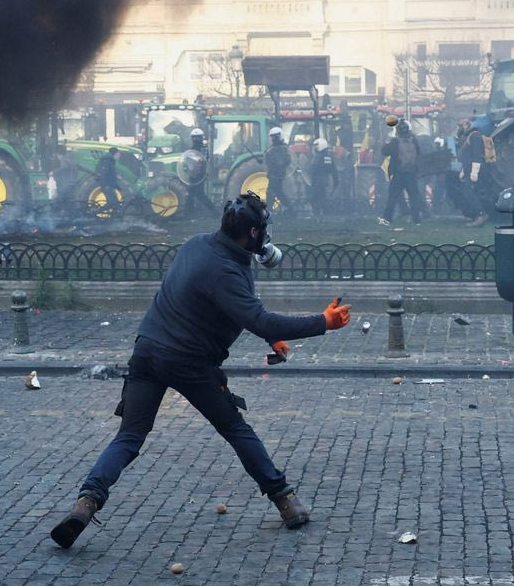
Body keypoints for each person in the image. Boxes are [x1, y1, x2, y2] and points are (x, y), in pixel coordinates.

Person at [49, 192, 352, 549]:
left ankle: (86, 502)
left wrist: (272, 337)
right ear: (253, 233)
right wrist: (323, 322)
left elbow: (231, 305)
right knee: (235, 429)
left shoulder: (196, 246)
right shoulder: (226, 271)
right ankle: (286, 500)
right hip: (189, 362)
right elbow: (259, 318)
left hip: (147, 351)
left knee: (129, 436)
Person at [377, 120, 422, 226]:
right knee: (414, 197)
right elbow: (419, 154)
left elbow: (384, 151)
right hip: (411, 173)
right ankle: (417, 220)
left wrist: (386, 141)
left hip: (399, 173)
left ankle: (387, 219)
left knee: (392, 197)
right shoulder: (413, 141)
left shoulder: (395, 142)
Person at [457, 118, 494, 227]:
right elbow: (467, 156)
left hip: (477, 171)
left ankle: (481, 215)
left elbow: (476, 155)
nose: (459, 128)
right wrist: (463, 171)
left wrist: (474, 172)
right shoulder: (469, 137)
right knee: (471, 192)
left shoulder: (475, 136)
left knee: (470, 192)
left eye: (461, 125)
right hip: (469, 170)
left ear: (467, 125)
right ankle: (479, 215)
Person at [185, 128, 219, 215]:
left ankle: (214, 211)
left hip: (200, 175)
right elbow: (188, 162)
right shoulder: (190, 150)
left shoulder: (204, 149)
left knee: (197, 194)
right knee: (194, 194)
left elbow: (204, 160)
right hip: (193, 175)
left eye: (198, 137)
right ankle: (189, 212)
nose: (196, 139)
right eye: (194, 137)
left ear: (201, 138)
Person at [264, 127, 293, 215]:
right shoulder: (276, 148)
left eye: (275, 136)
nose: (273, 138)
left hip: (277, 174)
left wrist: (271, 158)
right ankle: (290, 208)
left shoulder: (282, 148)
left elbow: (283, 161)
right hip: (274, 174)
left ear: (279, 136)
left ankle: (269, 211)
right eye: (272, 136)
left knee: (271, 191)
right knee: (278, 192)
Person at [310, 138, 339, 216]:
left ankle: (317, 215)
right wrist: (336, 181)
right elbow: (334, 170)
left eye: (316, 146)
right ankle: (327, 214)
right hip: (326, 179)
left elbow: (313, 169)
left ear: (321, 145)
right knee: (323, 197)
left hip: (317, 180)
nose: (315, 148)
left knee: (315, 198)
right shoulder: (329, 157)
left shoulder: (318, 156)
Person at [94, 147, 121, 214]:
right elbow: (103, 174)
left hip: (109, 185)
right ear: (115, 153)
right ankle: (94, 212)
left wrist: (116, 185)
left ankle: (115, 216)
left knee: (114, 202)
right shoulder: (107, 161)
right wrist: (106, 186)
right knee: (111, 202)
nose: (119, 156)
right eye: (119, 154)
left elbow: (110, 175)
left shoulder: (110, 161)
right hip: (107, 185)